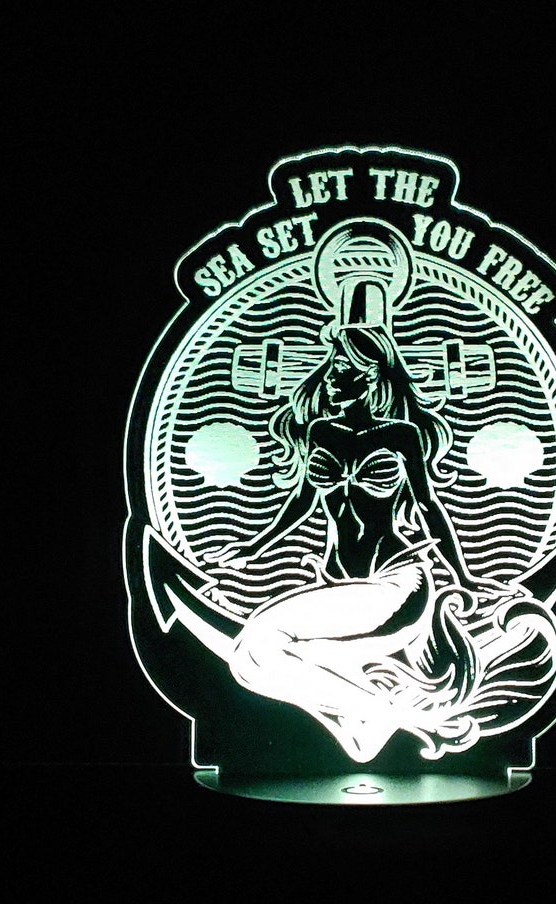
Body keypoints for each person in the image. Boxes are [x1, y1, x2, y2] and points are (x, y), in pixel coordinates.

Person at [206, 282, 510, 763]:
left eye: (343, 369)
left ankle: (386, 715)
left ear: (370, 377)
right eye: (331, 366)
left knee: (258, 645)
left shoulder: (401, 435)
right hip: (340, 582)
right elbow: (302, 503)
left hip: (396, 584)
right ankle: (370, 722)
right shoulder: (320, 431)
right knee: (254, 663)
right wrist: (251, 551)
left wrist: (465, 575)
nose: (330, 377)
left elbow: (429, 507)